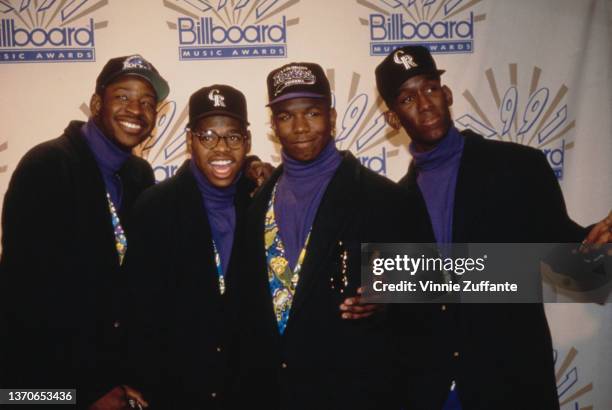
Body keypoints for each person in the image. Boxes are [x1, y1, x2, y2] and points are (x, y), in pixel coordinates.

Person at [375, 45, 611, 410]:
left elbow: (571, 265)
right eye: (407, 97)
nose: (424, 104)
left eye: (431, 88)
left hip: (510, 384)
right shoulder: (393, 203)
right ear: (393, 119)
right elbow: (405, 308)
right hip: (432, 392)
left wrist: (598, 244)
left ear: (447, 93)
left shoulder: (519, 168)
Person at [235, 62, 431, 410]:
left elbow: (430, 304)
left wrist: (390, 301)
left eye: (312, 112)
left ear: (333, 117)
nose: (299, 127)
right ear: (273, 125)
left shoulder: (384, 198)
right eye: (285, 116)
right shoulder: (255, 206)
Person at [0, 55, 168, 408]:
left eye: (148, 102)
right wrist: (85, 395)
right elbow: (29, 299)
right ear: (96, 104)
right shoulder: (46, 166)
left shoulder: (139, 176)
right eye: (122, 96)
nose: (136, 110)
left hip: (109, 383)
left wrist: (126, 379)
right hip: (41, 386)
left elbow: (129, 294)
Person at [123, 84, 255, 410]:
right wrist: (127, 375)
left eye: (233, 137)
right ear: (189, 141)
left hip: (249, 390)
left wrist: (384, 301)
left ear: (247, 141)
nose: (221, 148)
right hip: (176, 391)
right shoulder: (155, 206)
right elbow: (135, 308)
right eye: (207, 136)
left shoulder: (264, 201)